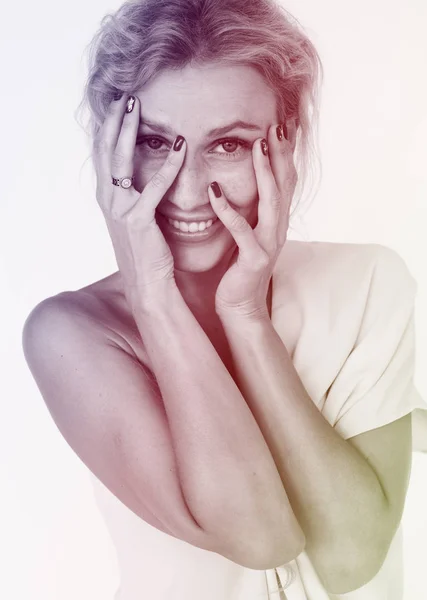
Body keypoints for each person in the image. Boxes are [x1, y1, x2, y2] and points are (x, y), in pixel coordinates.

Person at [21, 0, 426, 598]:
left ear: (287, 144)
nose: (186, 193)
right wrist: (152, 298)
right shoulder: (71, 332)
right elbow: (262, 537)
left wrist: (247, 317)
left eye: (229, 145)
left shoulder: (366, 285)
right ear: (113, 150)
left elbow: (351, 560)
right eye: (157, 142)